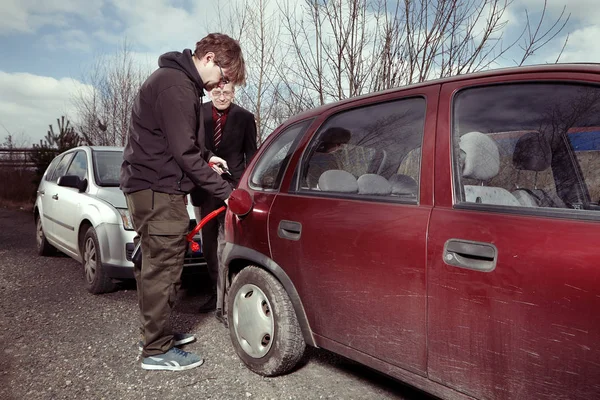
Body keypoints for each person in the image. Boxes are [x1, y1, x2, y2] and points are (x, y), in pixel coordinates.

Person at [120, 33, 246, 371]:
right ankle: (156, 350)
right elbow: (183, 153)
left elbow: (180, 142)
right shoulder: (175, 85)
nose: (220, 84)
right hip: (157, 190)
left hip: (152, 186)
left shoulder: (178, 82)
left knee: (154, 263)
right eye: (223, 76)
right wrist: (228, 194)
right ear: (208, 58)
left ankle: (155, 335)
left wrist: (208, 157)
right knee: (165, 267)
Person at [191, 82, 257, 324]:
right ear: (210, 92)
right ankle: (214, 293)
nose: (221, 96)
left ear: (233, 92)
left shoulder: (245, 117)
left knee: (227, 242)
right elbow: (192, 147)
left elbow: (251, 154)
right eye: (216, 92)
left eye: (226, 92)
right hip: (203, 188)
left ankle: (228, 297)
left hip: (232, 189)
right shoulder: (198, 113)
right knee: (209, 244)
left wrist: (246, 187)